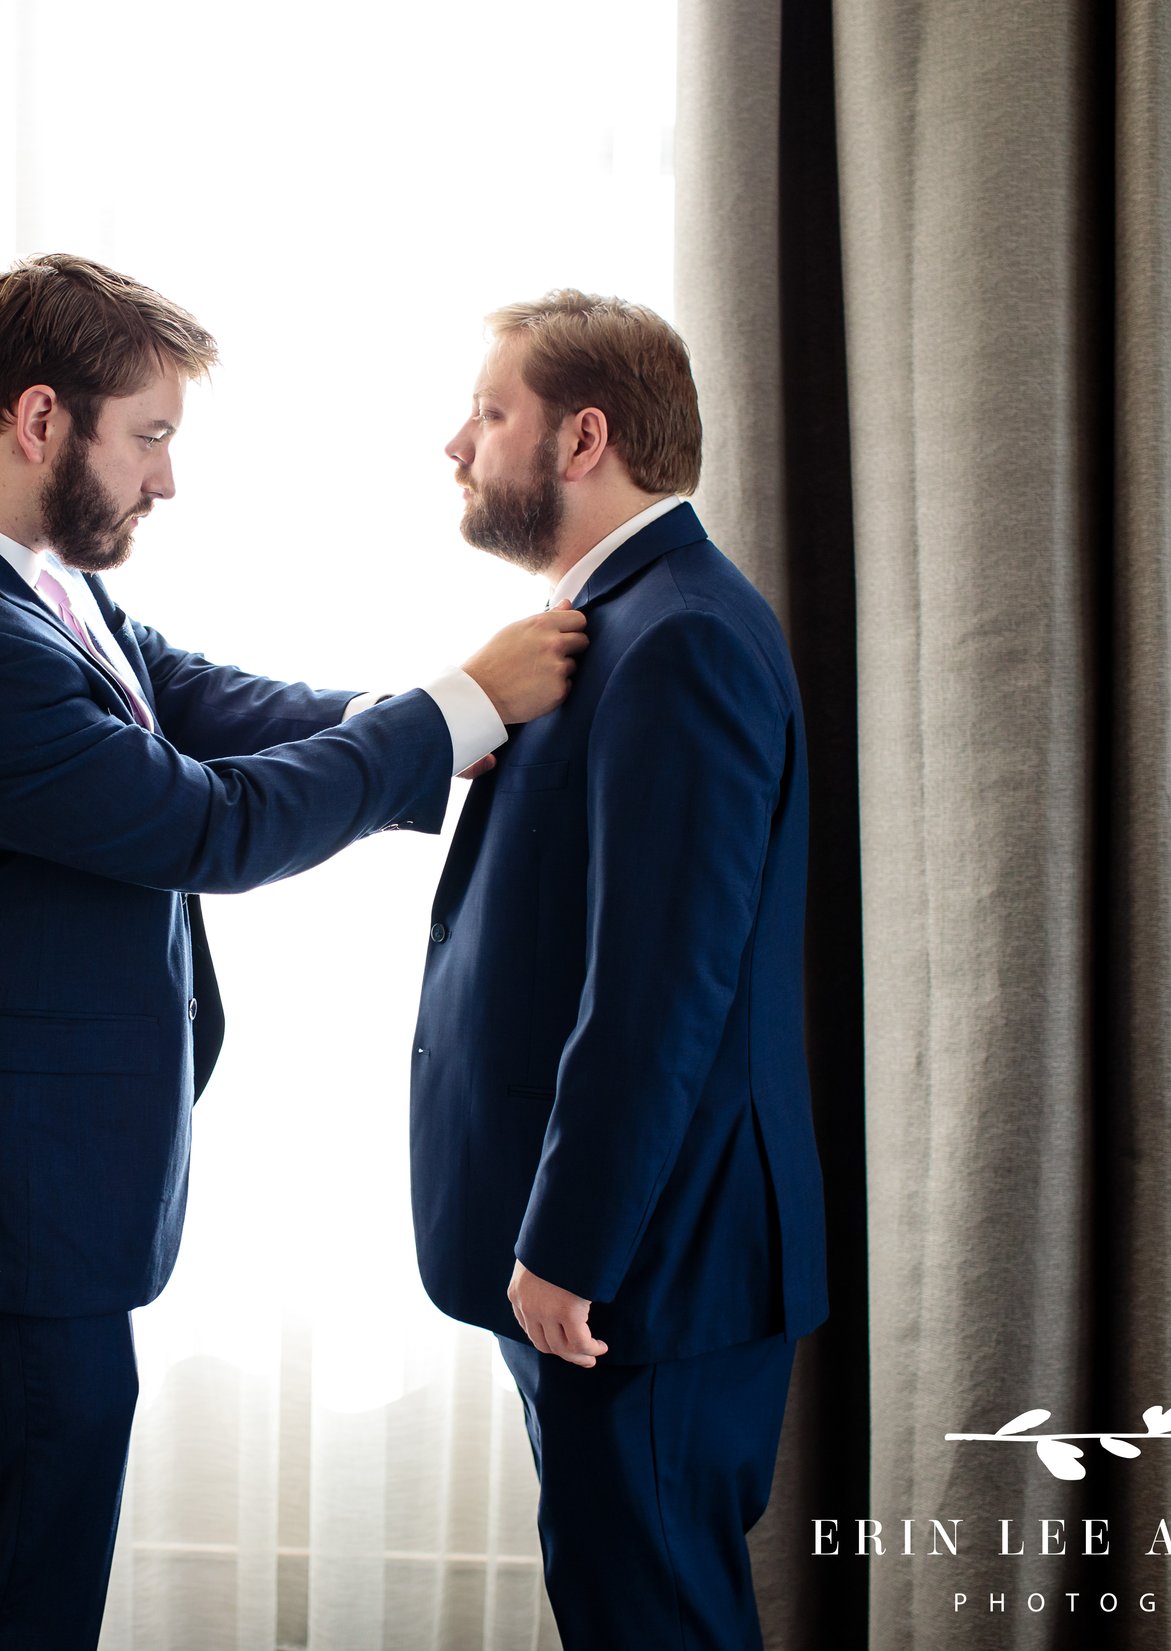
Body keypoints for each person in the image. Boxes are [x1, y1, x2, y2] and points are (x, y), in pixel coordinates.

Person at [0, 253, 586, 1650]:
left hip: (3, 1189)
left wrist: (419, 722)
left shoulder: (10, 564)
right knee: (15, 1600)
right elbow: (202, 824)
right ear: (41, 421)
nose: (166, 481)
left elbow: (186, 694)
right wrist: (457, 709)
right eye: (150, 437)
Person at [408, 290, 829, 1649]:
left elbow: (661, 992)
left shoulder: (682, 638)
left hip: (645, 1272)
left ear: (582, 440)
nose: (457, 445)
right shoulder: (617, 627)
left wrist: (570, 1246)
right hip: (623, 1266)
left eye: (491, 413)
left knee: (649, 1621)